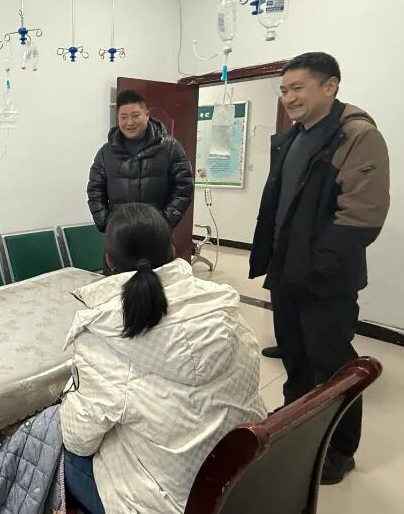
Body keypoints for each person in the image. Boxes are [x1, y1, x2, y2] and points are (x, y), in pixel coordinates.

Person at [60, 203, 265, 514]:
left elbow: (77, 439)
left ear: (108, 260)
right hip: (242, 485)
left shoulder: (105, 334)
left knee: (62, 452)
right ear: (172, 249)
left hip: (166, 504)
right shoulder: (224, 306)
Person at [249, 52, 391, 484]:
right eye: (283, 90)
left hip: (325, 279)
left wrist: (316, 268)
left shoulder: (357, 136)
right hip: (287, 272)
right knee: (294, 356)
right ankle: (294, 420)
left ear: (330, 86)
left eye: (297, 88)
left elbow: (362, 218)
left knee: (331, 365)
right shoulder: (294, 137)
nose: (288, 97)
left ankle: (340, 450)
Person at [86, 90, 194, 272]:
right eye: (124, 117)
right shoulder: (106, 152)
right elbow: (95, 190)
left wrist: (164, 222)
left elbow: (184, 187)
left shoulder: (170, 147)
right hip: (119, 237)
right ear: (118, 119)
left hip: (156, 237)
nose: (129, 122)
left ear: (147, 115)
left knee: (157, 284)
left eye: (135, 115)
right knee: (116, 285)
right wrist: (106, 222)